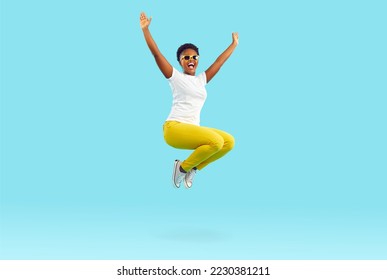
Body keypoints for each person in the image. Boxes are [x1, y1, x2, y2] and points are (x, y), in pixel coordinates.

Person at [140, 11, 238, 189]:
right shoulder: (175, 77)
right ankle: (182, 167)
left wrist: (234, 44)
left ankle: (194, 168)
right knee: (216, 141)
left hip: (192, 129)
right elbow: (156, 54)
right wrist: (146, 30)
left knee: (228, 142)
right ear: (180, 61)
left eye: (194, 57)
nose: (191, 60)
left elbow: (219, 62)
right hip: (174, 129)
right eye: (186, 57)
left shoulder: (201, 80)